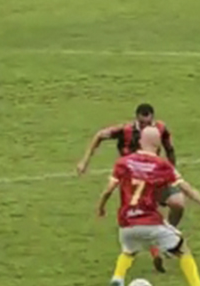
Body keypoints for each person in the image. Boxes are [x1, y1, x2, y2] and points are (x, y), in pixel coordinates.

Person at [96, 127, 200, 286]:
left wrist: (101, 207)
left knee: (129, 251)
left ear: (139, 141)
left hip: (127, 222)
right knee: (182, 249)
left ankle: (119, 278)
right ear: (158, 145)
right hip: (150, 221)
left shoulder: (124, 162)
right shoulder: (162, 166)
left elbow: (108, 190)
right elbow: (185, 188)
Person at [77, 103, 181, 273]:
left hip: (155, 176)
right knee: (147, 213)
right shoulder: (125, 130)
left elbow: (170, 149)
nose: (146, 128)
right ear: (137, 120)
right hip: (131, 182)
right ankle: (159, 249)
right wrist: (85, 161)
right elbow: (100, 135)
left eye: (149, 123)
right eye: (142, 124)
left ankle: (164, 240)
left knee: (178, 204)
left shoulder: (160, 129)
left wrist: (171, 171)